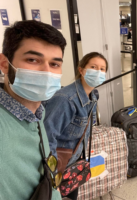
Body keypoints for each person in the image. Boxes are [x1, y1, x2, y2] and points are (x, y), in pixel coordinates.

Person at [0, 20, 66, 200]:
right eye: (32, 60)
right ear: (4, 64)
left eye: (54, 64)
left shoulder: (37, 112)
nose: (46, 72)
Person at [43, 52, 108, 200]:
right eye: (93, 67)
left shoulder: (93, 96)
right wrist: (52, 178)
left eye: (102, 69)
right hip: (57, 169)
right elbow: (47, 139)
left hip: (72, 164)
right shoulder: (66, 99)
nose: (98, 72)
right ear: (81, 70)